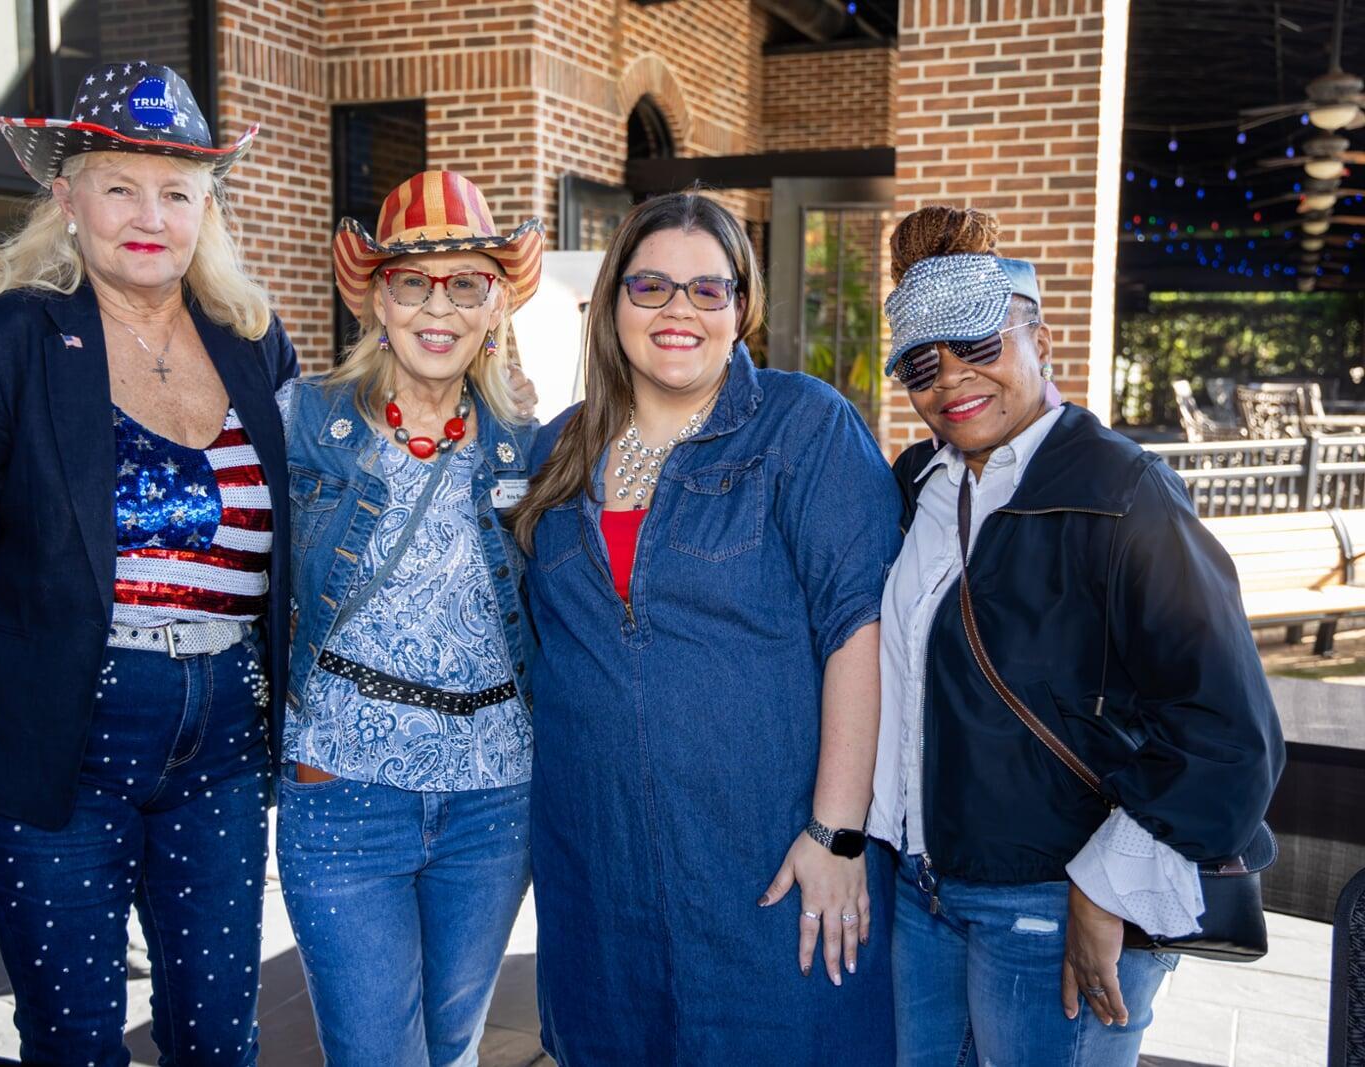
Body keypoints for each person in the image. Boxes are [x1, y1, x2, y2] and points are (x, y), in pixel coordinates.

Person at [0, 61, 292, 1067]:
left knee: (220, 1037)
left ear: (206, 209)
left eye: (177, 191)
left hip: (224, 736)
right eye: (120, 186)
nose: (149, 216)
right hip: (54, 738)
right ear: (66, 199)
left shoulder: (252, 344)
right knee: (76, 1041)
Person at [872, 205, 1285, 1065]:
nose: (952, 378)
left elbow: (1228, 730)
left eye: (976, 343)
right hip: (925, 891)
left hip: (1055, 902)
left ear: (1041, 339)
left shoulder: (1125, 492)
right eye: (921, 361)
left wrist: (1103, 888)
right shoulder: (918, 483)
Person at [508, 192, 901, 1064]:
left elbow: (859, 632)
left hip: (768, 858)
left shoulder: (805, 427)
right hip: (598, 868)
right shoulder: (556, 453)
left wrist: (838, 832)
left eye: (707, 289)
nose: (677, 310)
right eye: (649, 286)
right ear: (611, 303)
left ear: (741, 305)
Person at [276, 170, 543, 1066]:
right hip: (344, 786)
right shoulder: (302, 419)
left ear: (495, 304)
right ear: (377, 299)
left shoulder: (529, 443)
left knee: (454, 1049)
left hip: (493, 797)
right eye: (412, 282)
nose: (438, 306)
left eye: (466, 283)